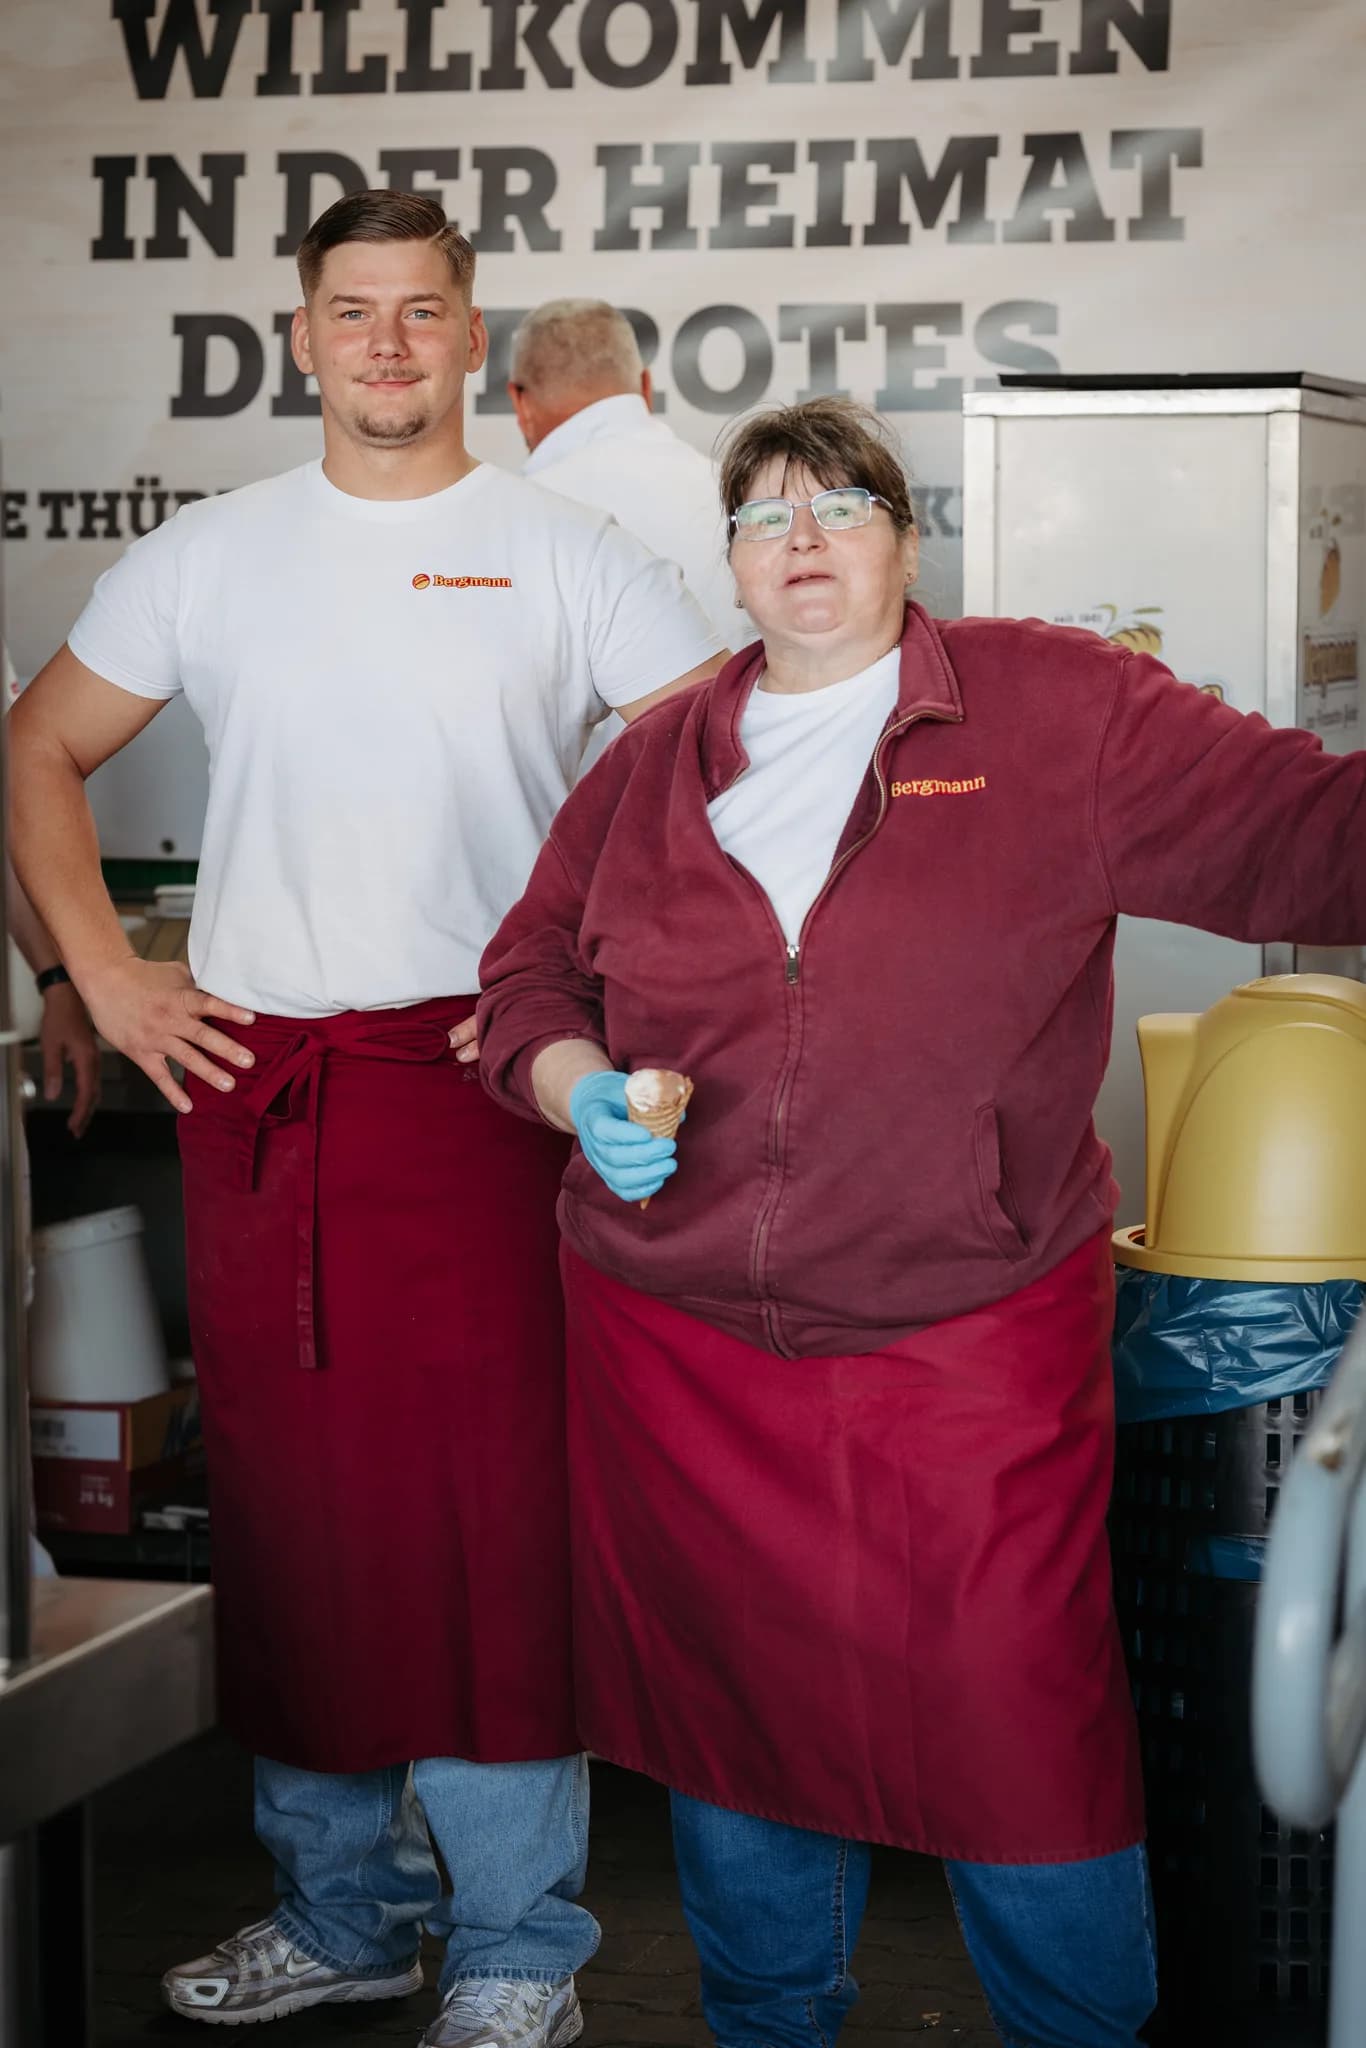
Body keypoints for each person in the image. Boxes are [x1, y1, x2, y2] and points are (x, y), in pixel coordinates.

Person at [477, 396, 1366, 2048]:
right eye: (764, 515)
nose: (803, 537)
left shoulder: (1053, 706)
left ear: (904, 533)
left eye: (844, 500)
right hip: (679, 1346)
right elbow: (530, 971)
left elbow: (1309, 833)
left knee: (1019, 1730)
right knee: (733, 1730)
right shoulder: (654, 762)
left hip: (967, 1331)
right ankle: (767, 2024)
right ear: (729, 563)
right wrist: (572, 1084)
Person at [8, 190, 724, 2048]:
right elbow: (35, 746)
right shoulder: (213, 554)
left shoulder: (569, 552)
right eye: (354, 311)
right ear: (302, 337)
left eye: (423, 311)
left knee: (491, 1523)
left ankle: (515, 1947)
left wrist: (603, 1002)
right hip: (260, 1092)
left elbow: (730, 788)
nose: (389, 343)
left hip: (481, 1091)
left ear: (474, 339)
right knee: (297, 1519)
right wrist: (96, 972)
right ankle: (340, 1913)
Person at [509, 299, 747, 771]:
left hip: (586, 830)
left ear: (520, 402)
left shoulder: (512, 519)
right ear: (644, 385)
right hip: (745, 807)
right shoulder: (744, 498)